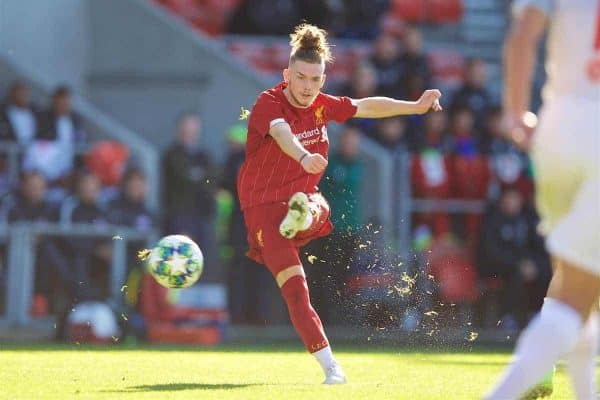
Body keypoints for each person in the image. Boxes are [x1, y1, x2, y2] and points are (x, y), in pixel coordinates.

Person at [237, 23, 442, 384]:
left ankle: (301, 214)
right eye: (300, 77)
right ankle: (331, 366)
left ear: (323, 79)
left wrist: (415, 106)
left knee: (321, 207)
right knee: (296, 292)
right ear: (286, 74)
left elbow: (366, 106)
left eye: (314, 79)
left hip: (299, 200)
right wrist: (303, 157)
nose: (306, 86)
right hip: (264, 210)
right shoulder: (268, 102)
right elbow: (282, 133)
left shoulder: (321, 106)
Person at [486, 1, 599, 399]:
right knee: (580, 290)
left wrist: (515, 113)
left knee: (575, 275)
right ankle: (509, 389)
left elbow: (522, 36)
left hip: (557, 127)